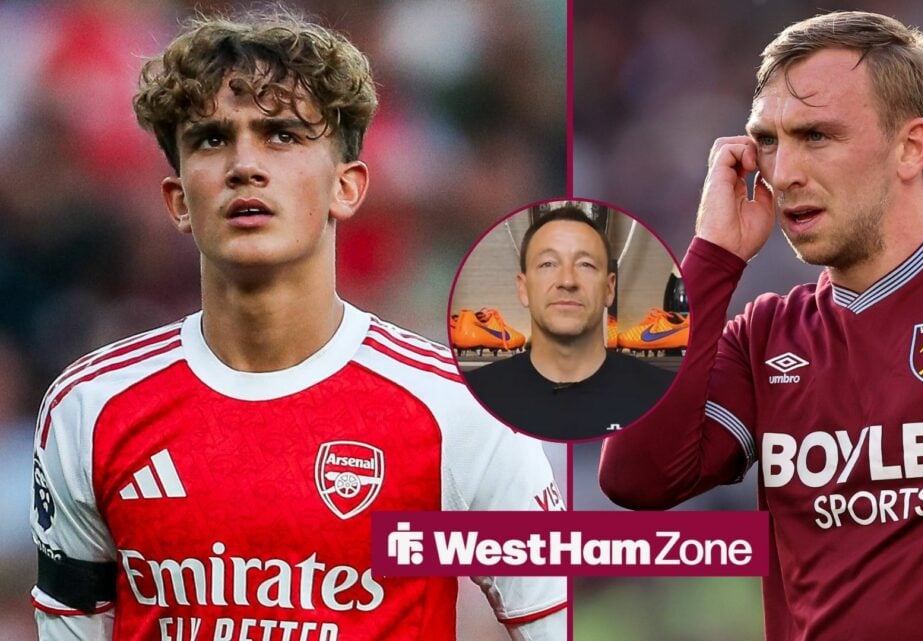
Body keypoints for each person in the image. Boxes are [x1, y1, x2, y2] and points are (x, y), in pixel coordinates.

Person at [598, 10, 923, 641]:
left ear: (911, 147)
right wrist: (711, 258)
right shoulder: (767, 335)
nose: (786, 172)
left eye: (818, 136)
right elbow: (634, 475)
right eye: (769, 141)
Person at [29, 9, 566, 641]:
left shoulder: (461, 409)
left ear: (347, 186)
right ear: (178, 200)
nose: (245, 166)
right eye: (211, 139)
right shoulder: (90, 409)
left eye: (282, 135)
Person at [466, 206, 675, 440]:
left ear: (609, 288)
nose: (567, 281)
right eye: (548, 264)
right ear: (523, 289)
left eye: (585, 264)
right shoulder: (476, 396)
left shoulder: (663, 396)